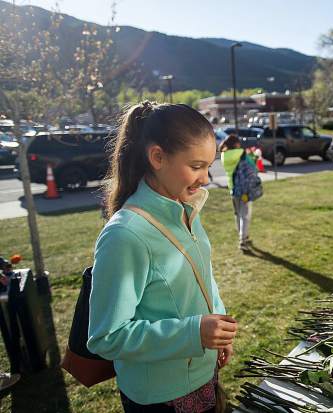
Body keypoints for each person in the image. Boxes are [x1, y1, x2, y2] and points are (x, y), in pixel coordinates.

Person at [88, 102, 237, 413]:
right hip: (160, 398)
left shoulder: (186, 209)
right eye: (196, 166)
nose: (206, 179)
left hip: (201, 376)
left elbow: (203, 278)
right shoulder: (125, 234)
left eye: (208, 166)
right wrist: (194, 332)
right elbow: (107, 337)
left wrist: (218, 330)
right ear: (157, 157)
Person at [219, 134, 257, 252]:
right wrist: (253, 155)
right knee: (245, 215)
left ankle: (243, 236)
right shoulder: (241, 153)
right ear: (236, 144)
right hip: (244, 189)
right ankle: (242, 240)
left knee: (237, 214)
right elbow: (252, 166)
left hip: (233, 189)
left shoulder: (223, 155)